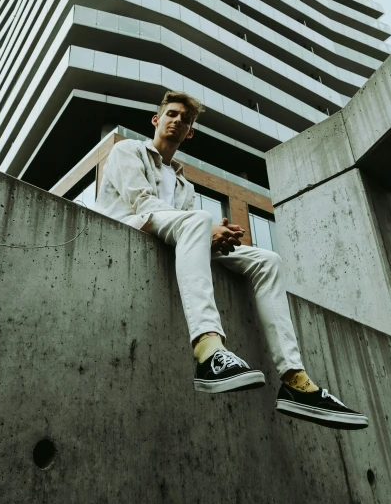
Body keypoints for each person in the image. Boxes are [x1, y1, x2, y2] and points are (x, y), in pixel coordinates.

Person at [95, 90, 368, 430]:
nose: (178, 121)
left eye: (186, 119)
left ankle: (295, 380)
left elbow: (186, 229)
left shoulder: (184, 185)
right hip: (131, 227)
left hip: (177, 236)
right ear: (157, 119)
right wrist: (205, 227)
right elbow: (143, 204)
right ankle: (208, 352)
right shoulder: (128, 150)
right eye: (172, 114)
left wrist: (217, 234)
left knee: (268, 259)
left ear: (190, 132)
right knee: (197, 221)